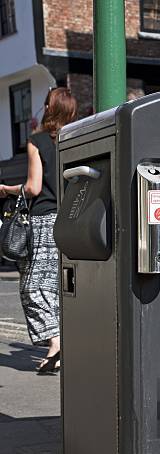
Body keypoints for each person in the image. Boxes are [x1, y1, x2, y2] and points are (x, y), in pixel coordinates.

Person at [0, 87, 77, 373]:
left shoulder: (38, 141)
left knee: (33, 287)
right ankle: (56, 347)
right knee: (60, 286)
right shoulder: (77, 139)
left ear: (48, 109)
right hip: (73, 220)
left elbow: (33, 187)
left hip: (45, 221)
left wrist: (6, 189)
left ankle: (56, 342)